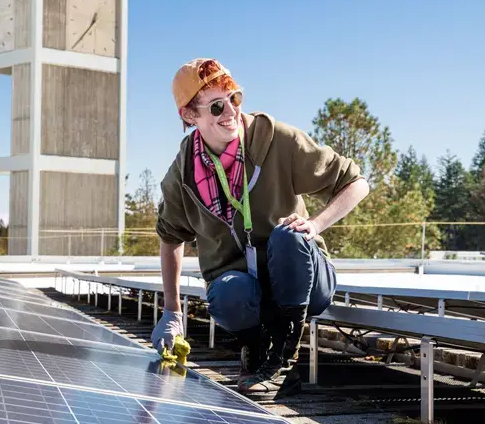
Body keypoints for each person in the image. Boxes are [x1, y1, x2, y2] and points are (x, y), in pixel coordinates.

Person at [151, 58, 369, 398]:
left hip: (305, 279)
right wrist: (171, 312)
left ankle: (284, 358)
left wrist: (316, 223)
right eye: (217, 106)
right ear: (189, 116)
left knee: (289, 236)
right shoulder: (183, 174)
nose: (231, 112)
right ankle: (255, 350)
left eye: (235, 98)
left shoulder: (276, 140)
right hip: (250, 290)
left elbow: (357, 183)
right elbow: (170, 238)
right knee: (226, 293)